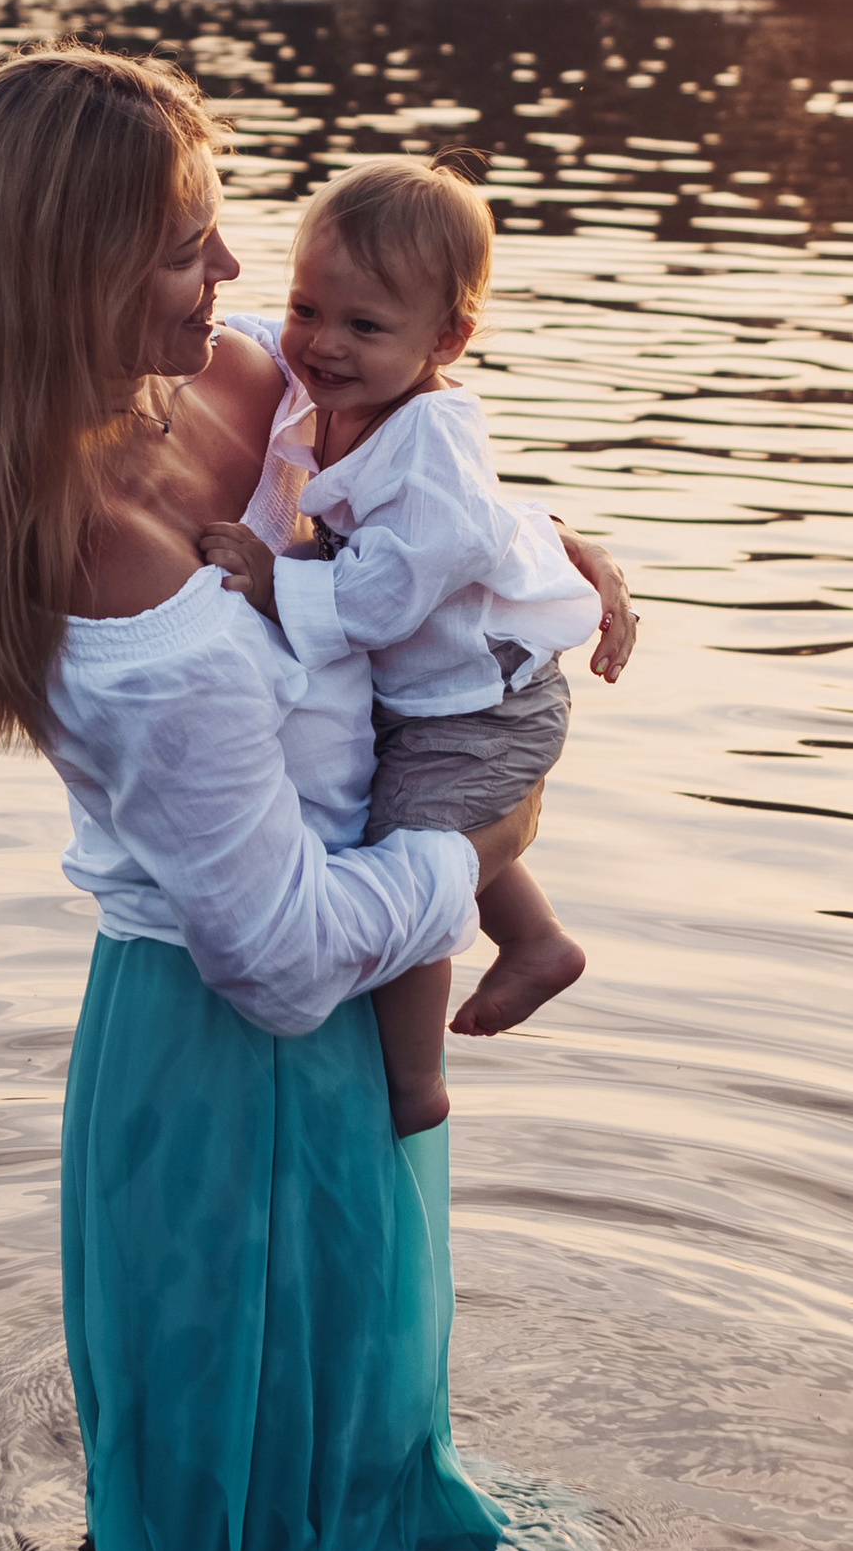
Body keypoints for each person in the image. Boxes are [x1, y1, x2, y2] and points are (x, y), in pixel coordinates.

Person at [0, 45, 635, 1551]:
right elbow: (285, 957)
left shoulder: (239, 375)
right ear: (72, 272)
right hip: (231, 1055)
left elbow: (418, 452)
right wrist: (485, 844)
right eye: (186, 244)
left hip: (359, 990)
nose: (235, 274)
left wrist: (548, 555)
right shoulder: (109, 575)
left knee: (354, 1436)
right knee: (243, 1532)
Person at [198, 151, 599, 1137]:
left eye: (364, 326)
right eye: (306, 309)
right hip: (446, 693)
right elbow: (235, 340)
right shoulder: (332, 388)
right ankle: (538, 938)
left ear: (446, 336)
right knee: (436, 823)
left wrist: (271, 578)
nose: (320, 345)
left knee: (410, 854)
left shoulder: (427, 435)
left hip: (478, 703)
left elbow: (387, 595)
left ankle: (415, 1088)